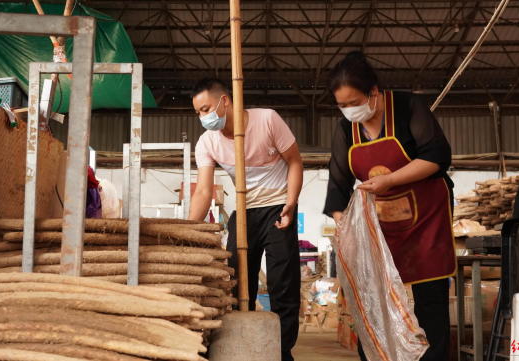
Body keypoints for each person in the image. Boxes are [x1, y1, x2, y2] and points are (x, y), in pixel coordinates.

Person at [323, 52, 456, 361]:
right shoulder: (346, 130)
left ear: (374, 92)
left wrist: (391, 180)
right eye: (341, 105)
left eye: (354, 101)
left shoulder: (409, 107)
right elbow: (338, 185)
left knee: (429, 297)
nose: (348, 110)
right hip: (379, 227)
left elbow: (437, 156)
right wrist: (345, 227)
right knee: (374, 297)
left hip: (426, 218)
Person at [189, 78, 303, 361]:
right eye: (198, 113)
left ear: (224, 101)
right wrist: (188, 230)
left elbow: (295, 161)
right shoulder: (207, 142)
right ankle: (241, 346)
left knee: (283, 283)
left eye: (206, 109)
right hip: (244, 211)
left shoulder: (267, 120)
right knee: (237, 281)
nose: (204, 118)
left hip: (278, 207)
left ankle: (282, 350)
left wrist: (291, 202)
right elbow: (204, 190)